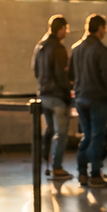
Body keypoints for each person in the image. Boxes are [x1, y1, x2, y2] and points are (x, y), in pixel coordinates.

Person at [70, 14, 107, 187]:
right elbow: (106, 74)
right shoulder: (101, 49)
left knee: (87, 135)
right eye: (104, 28)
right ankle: (95, 174)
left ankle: (82, 171)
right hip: (97, 98)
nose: (105, 31)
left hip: (81, 98)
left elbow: (71, 75)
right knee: (98, 136)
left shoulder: (76, 48)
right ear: (100, 29)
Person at [32, 15, 75, 179]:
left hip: (43, 94)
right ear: (61, 29)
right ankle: (57, 167)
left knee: (49, 129)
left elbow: (35, 70)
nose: (67, 32)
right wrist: (67, 95)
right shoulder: (58, 48)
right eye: (66, 29)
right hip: (57, 97)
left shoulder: (40, 47)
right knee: (61, 133)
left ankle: (46, 161)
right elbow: (61, 75)